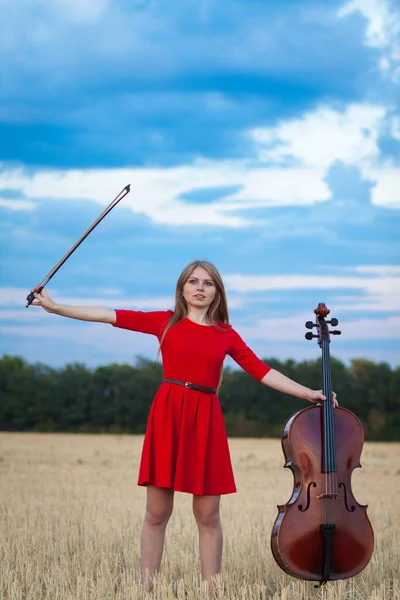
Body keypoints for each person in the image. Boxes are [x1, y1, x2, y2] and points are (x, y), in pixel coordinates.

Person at [31, 259, 337, 593]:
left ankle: (212, 590)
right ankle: (146, 589)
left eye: (207, 283)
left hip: (206, 420)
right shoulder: (165, 322)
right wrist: (55, 307)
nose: (200, 288)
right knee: (156, 512)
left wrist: (309, 392)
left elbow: (262, 371)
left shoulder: (226, 334)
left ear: (216, 291)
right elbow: (107, 314)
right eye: (193, 282)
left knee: (208, 515)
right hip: (168, 415)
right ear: (182, 288)